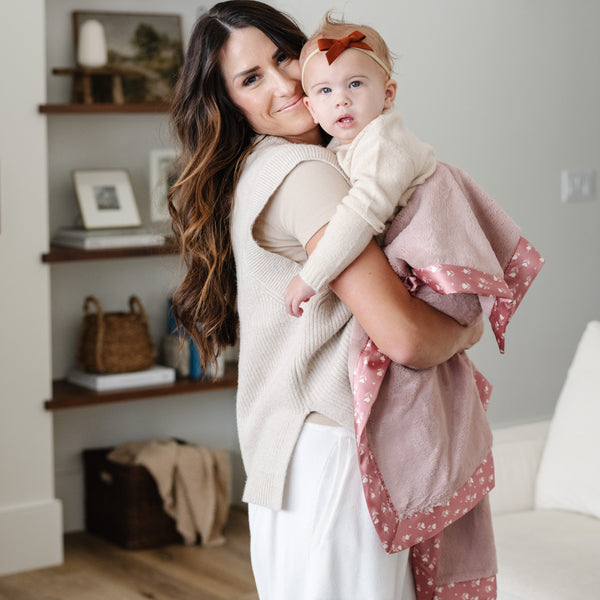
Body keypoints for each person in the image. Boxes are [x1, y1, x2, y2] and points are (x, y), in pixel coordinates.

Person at [168, 2, 483, 598]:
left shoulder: (258, 168)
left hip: (292, 456)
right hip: (335, 449)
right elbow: (406, 337)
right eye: (252, 78)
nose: (287, 84)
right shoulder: (306, 171)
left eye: (284, 57)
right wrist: (467, 330)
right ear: (228, 104)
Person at [284, 15, 436, 317]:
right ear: (311, 108)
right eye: (325, 90)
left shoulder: (381, 141)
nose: (341, 99)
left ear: (388, 94)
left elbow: (361, 213)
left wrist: (311, 276)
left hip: (434, 257)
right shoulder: (348, 148)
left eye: (355, 84)